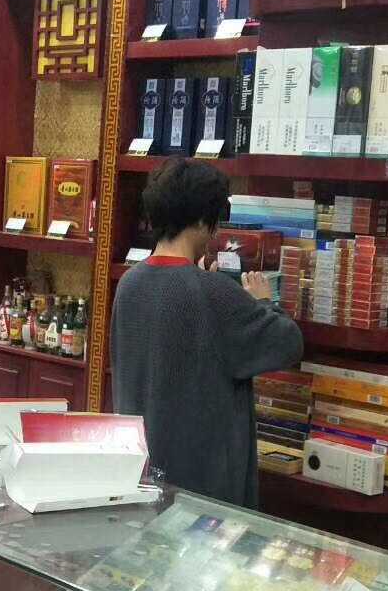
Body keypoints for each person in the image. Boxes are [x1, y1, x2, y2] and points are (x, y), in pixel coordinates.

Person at [110, 158, 303, 508]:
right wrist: (265, 303)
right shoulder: (213, 292)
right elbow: (287, 343)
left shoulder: (129, 283)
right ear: (203, 220)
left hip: (141, 470)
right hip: (203, 485)